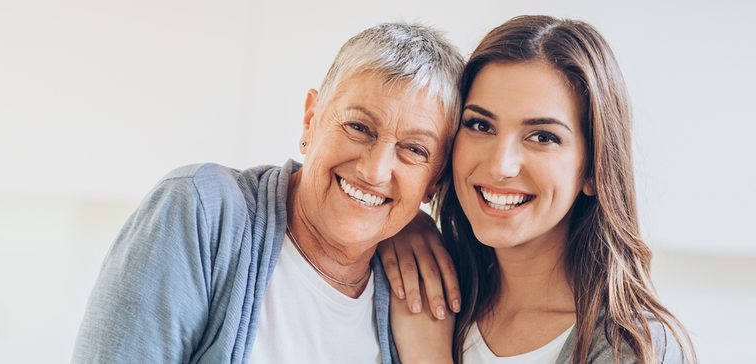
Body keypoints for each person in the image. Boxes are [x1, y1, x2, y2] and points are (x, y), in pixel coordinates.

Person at [71, 22, 464, 364]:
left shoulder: (425, 290)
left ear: (435, 181)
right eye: (358, 127)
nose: (374, 170)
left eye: (415, 150)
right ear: (311, 120)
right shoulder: (199, 210)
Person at [381, 15, 697, 364]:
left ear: (594, 169)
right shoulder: (419, 283)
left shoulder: (631, 349)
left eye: (543, 136)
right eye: (481, 125)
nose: (500, 166)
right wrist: (394, 221)